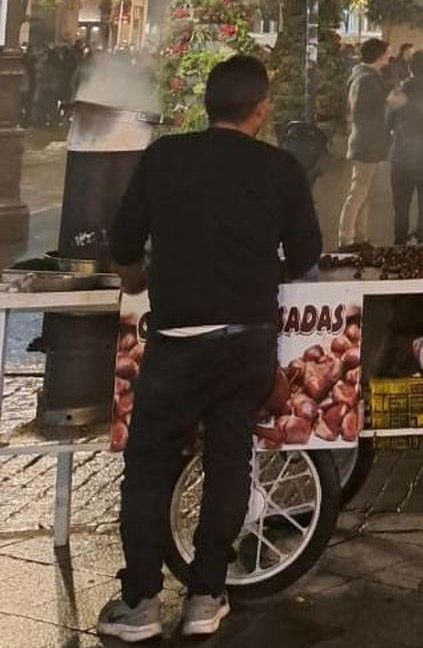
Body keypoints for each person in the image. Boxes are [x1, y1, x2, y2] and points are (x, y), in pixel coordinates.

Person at [100, 56, 321, 642]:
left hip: (176, 342)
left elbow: (123, 242)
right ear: (261, 107)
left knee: (148, 468)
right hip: (247, 341)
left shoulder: (165, 157)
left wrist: (132, 277)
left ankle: (141, 602)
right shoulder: (280, 167)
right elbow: (305, 252)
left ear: (206, 103)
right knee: (229, 460)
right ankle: (206, 595)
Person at [337, 37, 392, 247]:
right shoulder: (366, 79)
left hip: (368, 141)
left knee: (364, 193)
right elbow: (364, 109)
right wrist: (387, 103)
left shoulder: (366, 76)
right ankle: (346, 238)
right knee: (359, 192)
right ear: (379, 55)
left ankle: (360, 236)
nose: (390, 56)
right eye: (387, 52)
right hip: (366, 142)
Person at [387, 50, 423, 245]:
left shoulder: (400, 90)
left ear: (410, 67)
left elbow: (388, 121)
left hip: (402, 157)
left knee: (401, 207)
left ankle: (400, 244)